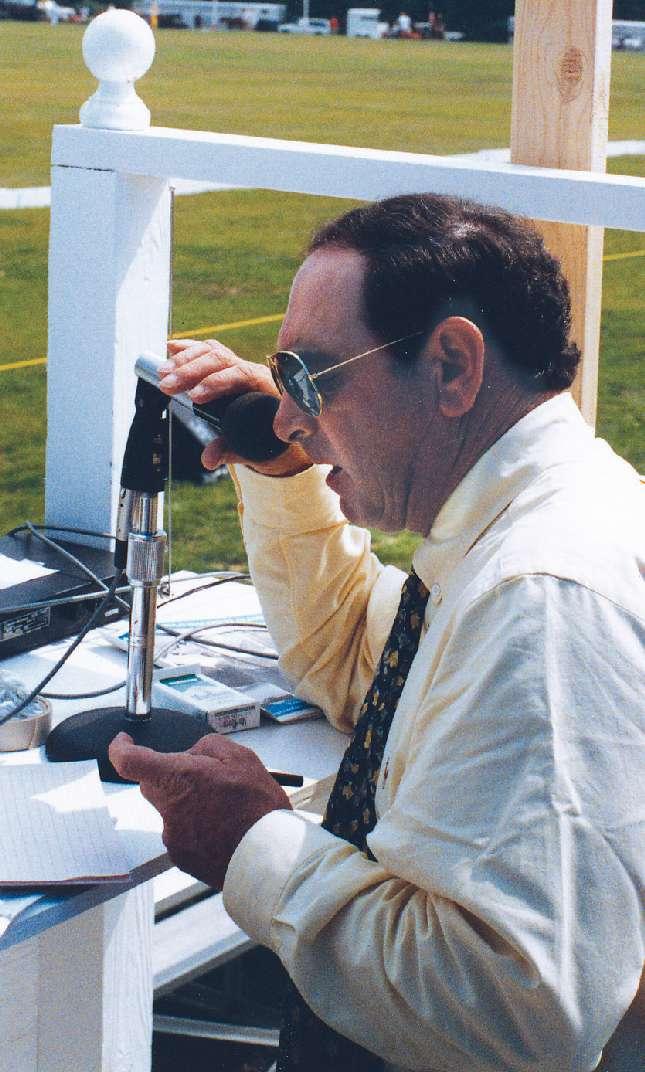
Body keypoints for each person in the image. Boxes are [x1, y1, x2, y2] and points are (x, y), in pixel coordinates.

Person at [110, 194, 644, 1072]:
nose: (287, 415)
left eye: (311, 378)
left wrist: (253, 844)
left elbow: (519, 1015)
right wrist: (287, 473)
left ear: (451, 367)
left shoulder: (537, 598)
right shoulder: (524, 525)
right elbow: (362, 659)